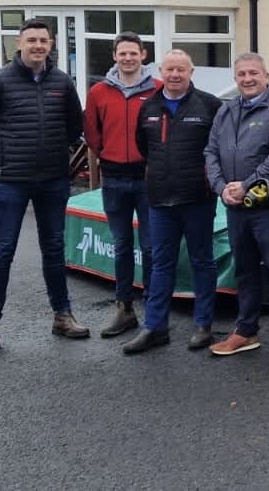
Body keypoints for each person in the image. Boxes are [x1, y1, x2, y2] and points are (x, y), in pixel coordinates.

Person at [0, 18, 88, 358]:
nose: (38, 45)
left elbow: (73, 127)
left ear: (51, 45)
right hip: (10, 182)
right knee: (2, 251)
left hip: (53, 180)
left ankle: (62, 316)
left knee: (53, 248)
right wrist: (4, 158)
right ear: (19, 44)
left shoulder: (62, 82)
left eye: (43, 40)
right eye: (31, 40)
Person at [203, 52, 269, 368]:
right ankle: (246, 331)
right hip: (236, 206)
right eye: (241, 74)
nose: (247, 79)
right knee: (245, 270)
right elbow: (210, 152)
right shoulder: (227, 110)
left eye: (253, 73)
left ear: (266, 76)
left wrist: (245, 184)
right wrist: (221, 187)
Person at [122, 50, 222, 354]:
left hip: (198, 198)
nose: (175, 75)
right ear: (160, 72)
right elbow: (143, 145)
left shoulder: (209, 105)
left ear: (191, 72)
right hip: (160, 199)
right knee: (161, 264)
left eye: (181, 69)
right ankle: (154, 327)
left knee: (201, 260)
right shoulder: (149, 106)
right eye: (169, 70)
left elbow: (219, 148)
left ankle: (204, 324)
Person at [83, 31, 160, 337]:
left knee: (151, 246)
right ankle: (124, 309)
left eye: (133, 53)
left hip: (148, 178)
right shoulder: (99, 92)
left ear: (143, 55)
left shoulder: (158, 89)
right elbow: (92, 134)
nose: (128, 58)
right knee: (121, 245)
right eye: (122, 53)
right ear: (114, 56)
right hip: (114, 178)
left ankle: (154, 312)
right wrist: (110, 155)